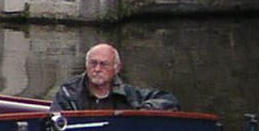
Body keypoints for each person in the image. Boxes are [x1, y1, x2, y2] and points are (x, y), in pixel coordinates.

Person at [50, 43, 179, 111]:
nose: (97, 69)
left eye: (104, 64)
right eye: (93, 63)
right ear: (86, 65)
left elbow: (169, 100)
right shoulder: (68, 94)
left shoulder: (129, 94)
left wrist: (143, 111)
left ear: (116, 68)